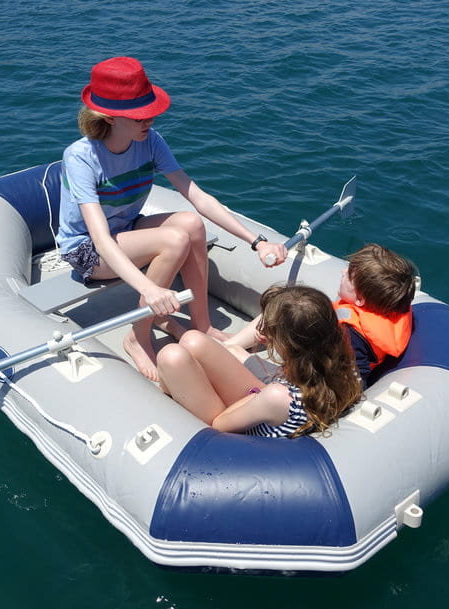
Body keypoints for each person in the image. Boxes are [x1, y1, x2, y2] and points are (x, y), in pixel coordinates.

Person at [56, 56, 288, 380]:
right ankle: (137, 337)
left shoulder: (150, 140)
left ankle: (202, 324)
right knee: (175, 238)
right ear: (108, 116)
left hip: (126, 230)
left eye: (149, 111)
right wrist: (148, 290)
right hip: (87, 250)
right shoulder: (81, 157)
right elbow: (100, 240)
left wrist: (257, 242)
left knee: (192, 225)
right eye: (139, 115)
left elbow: (196, 196)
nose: (148, 119)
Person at [157, 285, 361, 438]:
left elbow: (218, 425)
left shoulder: (278, 397)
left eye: (271, 333)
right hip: (271, 407)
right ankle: (172, 386)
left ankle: (169, 390)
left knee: (171, 357)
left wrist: (253, 397)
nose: (264, 334)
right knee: (192, 340)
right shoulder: (346, 367)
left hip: (239, 427)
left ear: (289, 345)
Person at [224, 243, 418, 385]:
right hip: (309, 356)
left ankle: (225, 349)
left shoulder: (351, 338)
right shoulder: (387, 309)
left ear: (360, 300)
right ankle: (228, 345)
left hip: (297, 384)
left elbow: (349, 380)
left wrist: (280, 341)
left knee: (235, 354)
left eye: (349, 275)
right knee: (276, 310)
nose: (342, 272)